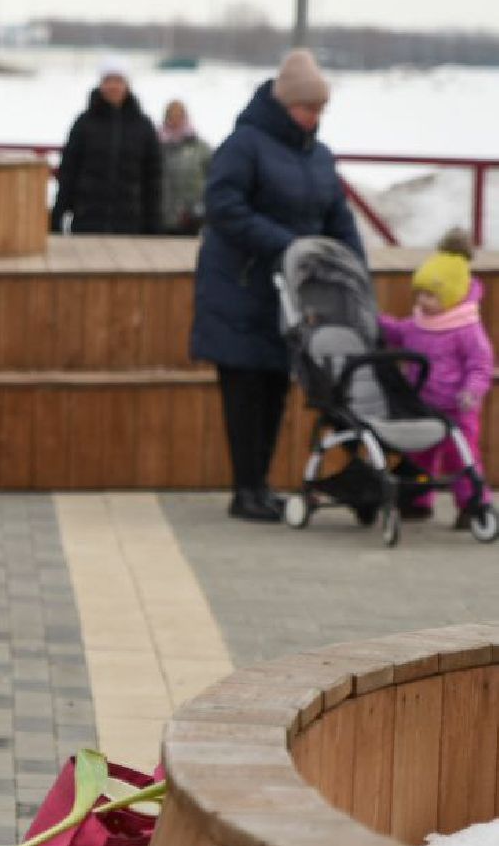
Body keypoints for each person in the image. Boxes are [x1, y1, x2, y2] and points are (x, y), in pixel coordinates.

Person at [189, 49, 364, 522]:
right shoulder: (244, 145)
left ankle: (260, 485)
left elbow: (338, 218)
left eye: (320, 109)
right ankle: (246, 489)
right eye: (308, 108)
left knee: (274, 388)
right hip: (241, 289)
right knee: (245, 392)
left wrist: (354, 267)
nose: (314, 118)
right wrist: (289, 247)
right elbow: (223, 206)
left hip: (292, 298)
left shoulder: (319, 158)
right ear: (285, 104)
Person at [379, 229, 491, 519]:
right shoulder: (418, 323)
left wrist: (472, 391)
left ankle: (472, 505)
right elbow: (397, 332)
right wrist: (377, 321)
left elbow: (480, 364)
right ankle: (417, 501)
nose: (422, 301)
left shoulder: (466, 329)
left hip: (457, 406)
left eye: (430, 295)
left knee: (461, 457)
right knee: (419, 454)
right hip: (422, 404)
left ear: (451, 296)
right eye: (419, 294)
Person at [49, 57, 163, 235]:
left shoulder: (143, 125)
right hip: (87, 219)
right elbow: (68, 172)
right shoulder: (84, 123)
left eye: (118, 81)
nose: (113, 87)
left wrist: (153, 223)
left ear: (127, 85)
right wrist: (58, 215)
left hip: (130, 222)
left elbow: (153, 178)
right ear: (101, 85)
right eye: (108, 81)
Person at [158, 99, 213, 235]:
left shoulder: (201, 148)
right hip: (161, 219)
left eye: (179, 116)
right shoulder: (155, 147)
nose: (175, 120)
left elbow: (213, 177)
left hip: (192, 218)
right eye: (171, 116)